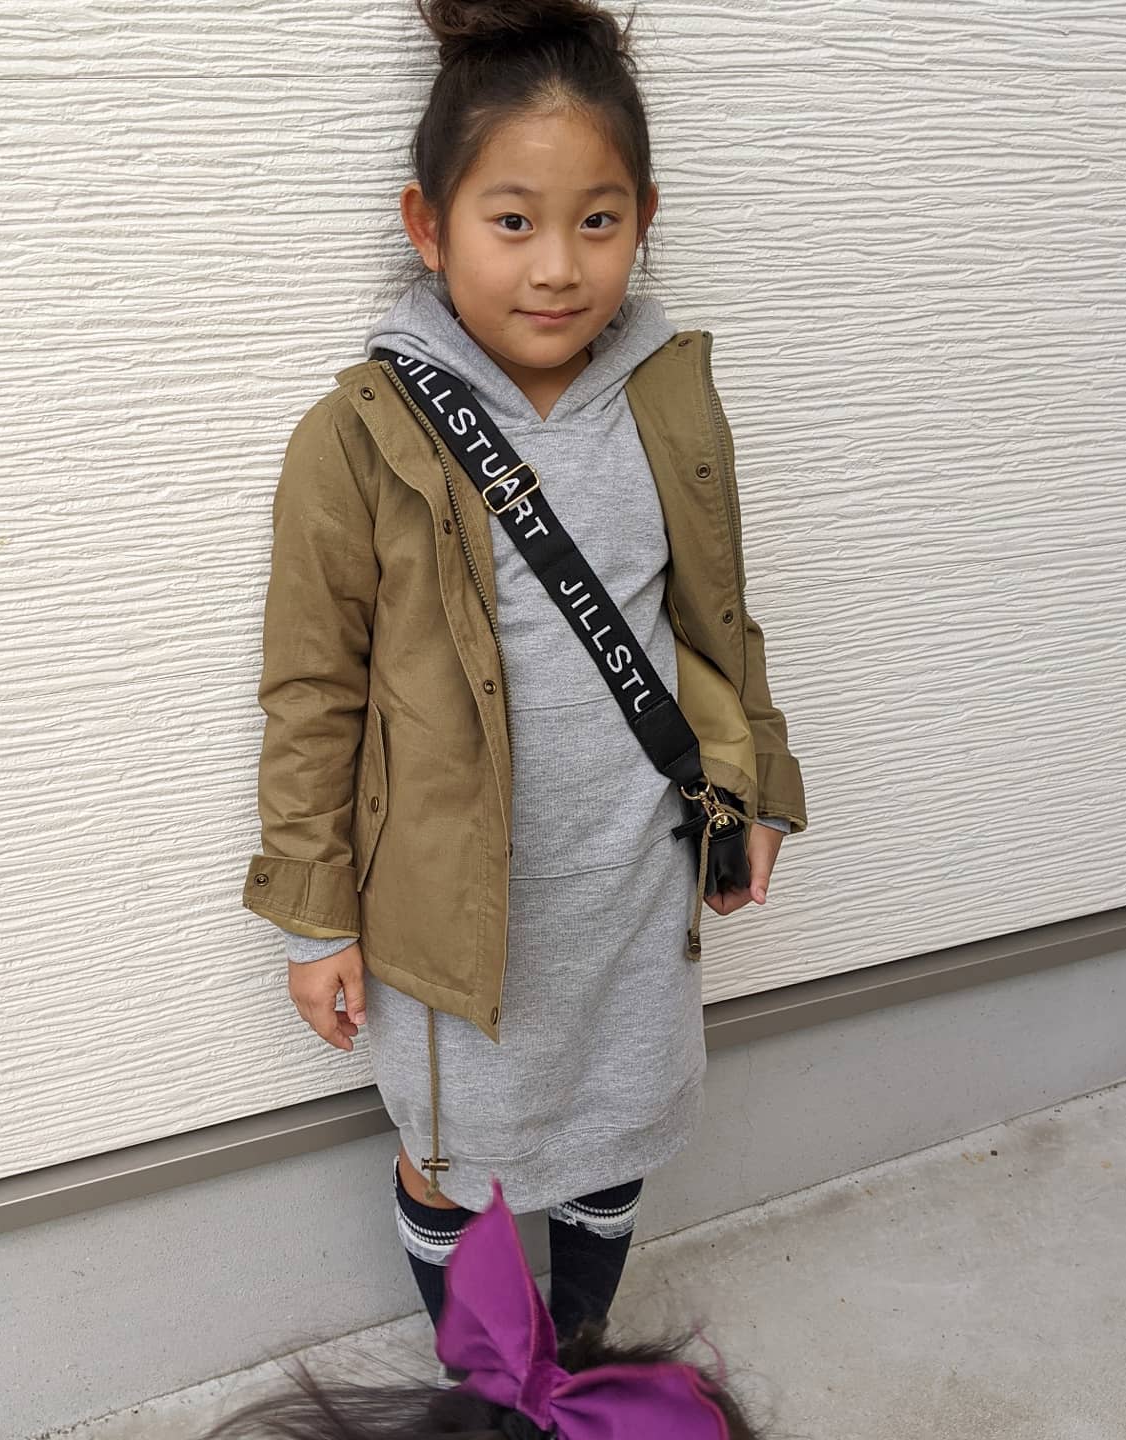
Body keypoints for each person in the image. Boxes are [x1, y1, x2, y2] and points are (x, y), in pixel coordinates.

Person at [240, 0, 809, 1377]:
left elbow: (718, 618)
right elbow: (312, 693)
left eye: (597, 222)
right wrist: (315, 914)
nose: (558, 267)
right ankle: (495, 1383)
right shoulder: (356, 438)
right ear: (427, 226)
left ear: (643, 221)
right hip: (451, 904)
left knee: (620, 1129)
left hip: (631, 877)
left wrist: (756, 790)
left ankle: (584, 1358)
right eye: (512, 221)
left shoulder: (671, 403)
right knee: (458, 1154)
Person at [202, 1175, 766, 1439]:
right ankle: (539, 1377)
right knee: (446, 1147)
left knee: (611, 1129)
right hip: (447, 990)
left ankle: (538, 1375)